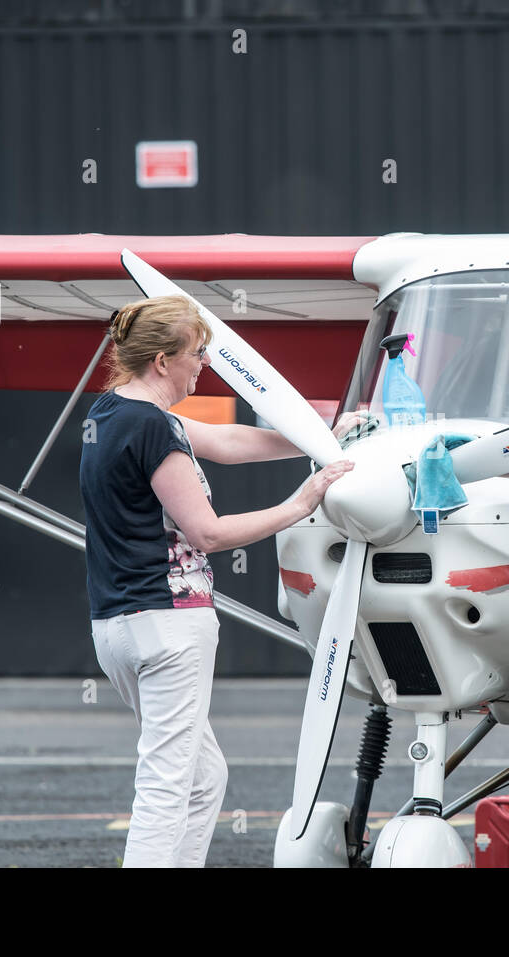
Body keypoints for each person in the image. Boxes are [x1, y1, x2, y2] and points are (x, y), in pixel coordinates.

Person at [79, 295, 357, 867]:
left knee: (204, 778)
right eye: (196, 355)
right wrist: (304, 503)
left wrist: (319, 437)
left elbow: (227, 445)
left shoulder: (109, 413)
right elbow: (206, 534)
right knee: (165, 786)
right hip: (168, 625)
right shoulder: (152, 425)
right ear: (162, 360)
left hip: (118, 627)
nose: (203, 365)